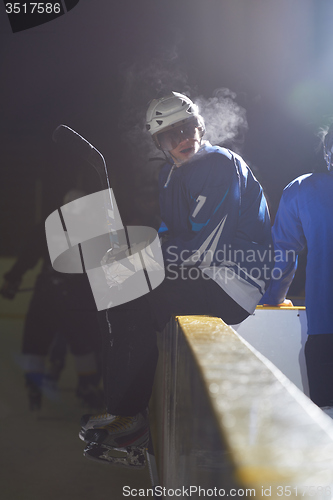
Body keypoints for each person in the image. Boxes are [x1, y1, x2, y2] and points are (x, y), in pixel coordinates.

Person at [79, 92, 274, 465]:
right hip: (206, 275)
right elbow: (171, 235)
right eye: (171, 136)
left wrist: (139, 260)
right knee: (120, 289)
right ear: (159, 143)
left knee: (132, 294)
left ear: (200, 126)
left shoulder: (218, 164)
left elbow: (204, 249)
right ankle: (128, 414)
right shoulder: (169, 173)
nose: (183, 139)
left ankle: (128, 417)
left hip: (233, 282)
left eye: (188, 128)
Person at [1, 191, 104, 410]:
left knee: (35, 342)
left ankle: (34, 387)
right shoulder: (94, 229)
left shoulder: (48, 226)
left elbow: (27, 257)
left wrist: (12, 280)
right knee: (83, 344)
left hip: (48, 293)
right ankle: (87, 387)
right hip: (78, 296)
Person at [260, 123, 333, 410]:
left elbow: (283, 254)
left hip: (326, 331)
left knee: (327, 427)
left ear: (329, 155)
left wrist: (273, 299)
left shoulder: (304, 188)